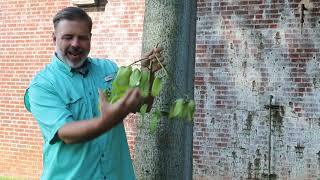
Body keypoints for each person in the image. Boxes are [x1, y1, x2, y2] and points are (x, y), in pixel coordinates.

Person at [24, 6, 163, 180]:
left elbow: (144, 106)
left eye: (82, 38)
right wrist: (106, 121)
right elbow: (66, 133)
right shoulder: (42, 85)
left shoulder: (109, 69)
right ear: (54, 38)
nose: (75, 44)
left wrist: (148, 74)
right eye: (68, 37)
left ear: (90, 39)